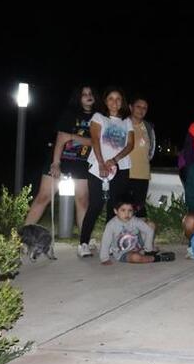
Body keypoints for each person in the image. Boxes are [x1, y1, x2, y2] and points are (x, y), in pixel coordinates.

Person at [25, 85, 95, 229]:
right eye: (84, 94)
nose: (88, 96)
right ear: (78, 97)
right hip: (60, 159)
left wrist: (72, 136)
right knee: (43, 197)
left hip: (81, 163)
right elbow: (60, 139)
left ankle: (84, 240)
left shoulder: (98, 117)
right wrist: (56, 163)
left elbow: (95, 142)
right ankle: (24, 234)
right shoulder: (69, 114)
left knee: (82, 201)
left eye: (90, 93)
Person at [79, 87, 135, 258]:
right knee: (95, 205)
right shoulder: (98, 117)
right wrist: (103, 163)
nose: (115, 102)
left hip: (121, 168)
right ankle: (83, 243)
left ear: (122, 102)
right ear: (105, 101)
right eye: (111, 98)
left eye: (118, 99)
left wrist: (114, 160)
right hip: (98, 167)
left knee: (114, 207)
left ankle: (111, 244)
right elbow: (95, 140)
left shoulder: (127, 121)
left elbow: (130, 145)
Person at [100, 194, 175, 265]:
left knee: (151, 225)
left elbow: (149, 231)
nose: (127, 214)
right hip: (123, 252)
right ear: (116, 211)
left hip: (138, 244)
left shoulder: (135, 220)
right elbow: (105, 241)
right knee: (136, 258)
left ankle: (148, 252)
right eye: (123, 210)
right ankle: (159, 258)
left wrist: (148, 250)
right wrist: (104, 258)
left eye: (130, 210)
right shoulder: (111, 225)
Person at [127, 96, 155, 218]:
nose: (141, 110)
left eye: (145, 108)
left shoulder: (148, 127)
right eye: (138, 106)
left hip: (142, 174)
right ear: (130, 107)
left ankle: (137, 235)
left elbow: (151, 150)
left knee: (139, 208)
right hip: (124, 173)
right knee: (124, 208)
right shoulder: (123, 124)